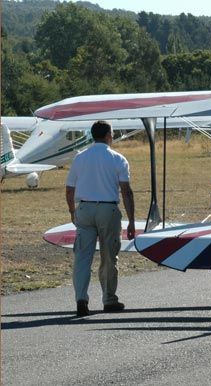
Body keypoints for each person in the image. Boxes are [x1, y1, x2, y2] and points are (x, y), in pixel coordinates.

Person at [65, 120, 135, 317]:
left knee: (82, 257)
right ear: (108, 135)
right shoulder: (118, 159)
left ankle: (81, 299)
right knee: (109, 256)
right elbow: (126, 191)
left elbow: (69, 189)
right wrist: (131, 219)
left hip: (84, 209)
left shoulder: (80, 158)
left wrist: (72, 211)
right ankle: (109, 299)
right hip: (108, 210)